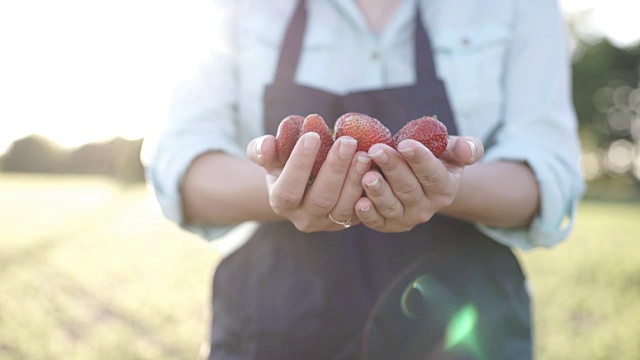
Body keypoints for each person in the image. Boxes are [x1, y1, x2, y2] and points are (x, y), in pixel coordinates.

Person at [146, 0, 585, 359]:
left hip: (460, 331)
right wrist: (282, 189)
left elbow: (548, 173)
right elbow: (183, 169)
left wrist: (448, 188)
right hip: (274, 325)